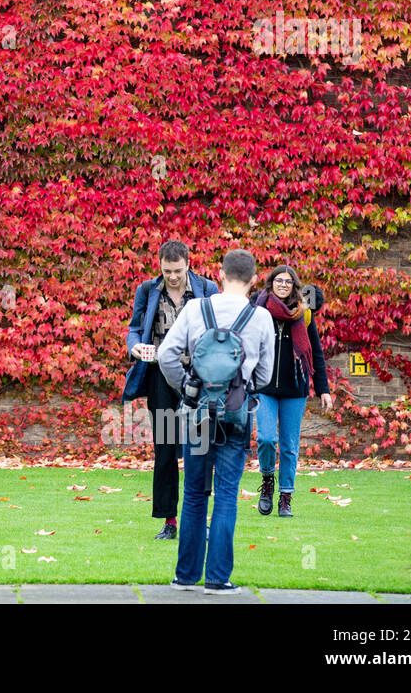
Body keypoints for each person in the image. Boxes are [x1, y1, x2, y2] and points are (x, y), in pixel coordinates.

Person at [157, 248, 275, 595]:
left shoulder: (196, 309)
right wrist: (246, 386)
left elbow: (166, 355)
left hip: (197, 416)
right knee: (226, 493)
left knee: (194, 493)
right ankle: (218, 579)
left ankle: (185, 576)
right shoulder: (261, 317)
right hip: (236, 415)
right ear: (254, 281)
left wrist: (187, 387)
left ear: (220, 274)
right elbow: (266, 373)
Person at [124, 240, 219, 540]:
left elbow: (221, 329)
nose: (173, 276)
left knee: (200, 450)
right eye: (167, 271)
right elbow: (134, 328)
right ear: (160, 266)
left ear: (188, 264)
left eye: (178, 270)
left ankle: (199, 518)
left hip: (197, 380)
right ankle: (169, 521)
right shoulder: (148, 290)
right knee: (164, 452)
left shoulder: (207, 290)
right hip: (161, 378)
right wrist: (135, 346)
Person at [250, 265, 332, 517]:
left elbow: (314, 353)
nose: (283, 285)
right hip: (264, 386)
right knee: (265, 438)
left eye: (288, 281)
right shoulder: (258, 309)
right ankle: (267, 480)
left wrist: (323, 390)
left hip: (295, 387)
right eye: (278, 280)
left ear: (294, 286)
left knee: (288, 446)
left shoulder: (304, 315)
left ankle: (285, 496)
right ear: (271, 283)